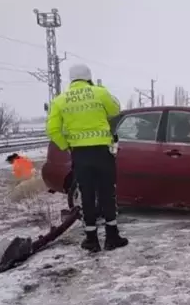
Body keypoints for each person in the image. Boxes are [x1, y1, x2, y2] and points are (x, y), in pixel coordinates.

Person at [46, 64, 128, 252]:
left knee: (87, 195)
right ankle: (112, 237)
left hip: (80, 154)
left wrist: (66, 145)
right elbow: (115, 110)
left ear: (71, 79)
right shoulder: (99, 92)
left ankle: (91, 240)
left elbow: (52, 130)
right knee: (107, 193)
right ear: (88, 77)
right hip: (102, 151)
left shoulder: (60, 101)